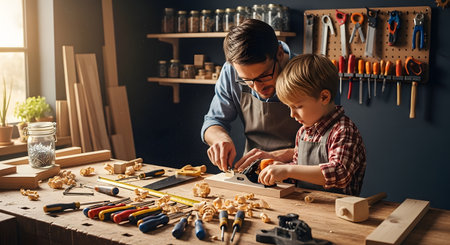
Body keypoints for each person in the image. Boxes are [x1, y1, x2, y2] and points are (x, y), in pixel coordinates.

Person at [258, 54, 367, 195]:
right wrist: (282, 168)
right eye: (289, 107)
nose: (292, 114)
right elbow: (299, 167)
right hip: (307, 205)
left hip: (338, 210)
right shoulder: (303, 132)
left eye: (298, 106)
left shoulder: (343, 131)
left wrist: (288, 171)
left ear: (324, 97)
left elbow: (340, 173)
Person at [201, 19, 299, 172]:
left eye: (264, 75)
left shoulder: (310, 73)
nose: (258, 87)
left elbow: (329, 144)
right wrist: (221, 139)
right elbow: (214, 121)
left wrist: (280, 156)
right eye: (246, 80)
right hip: (254, 171)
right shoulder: (231, 71)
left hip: (303, 174)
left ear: (279, 54)